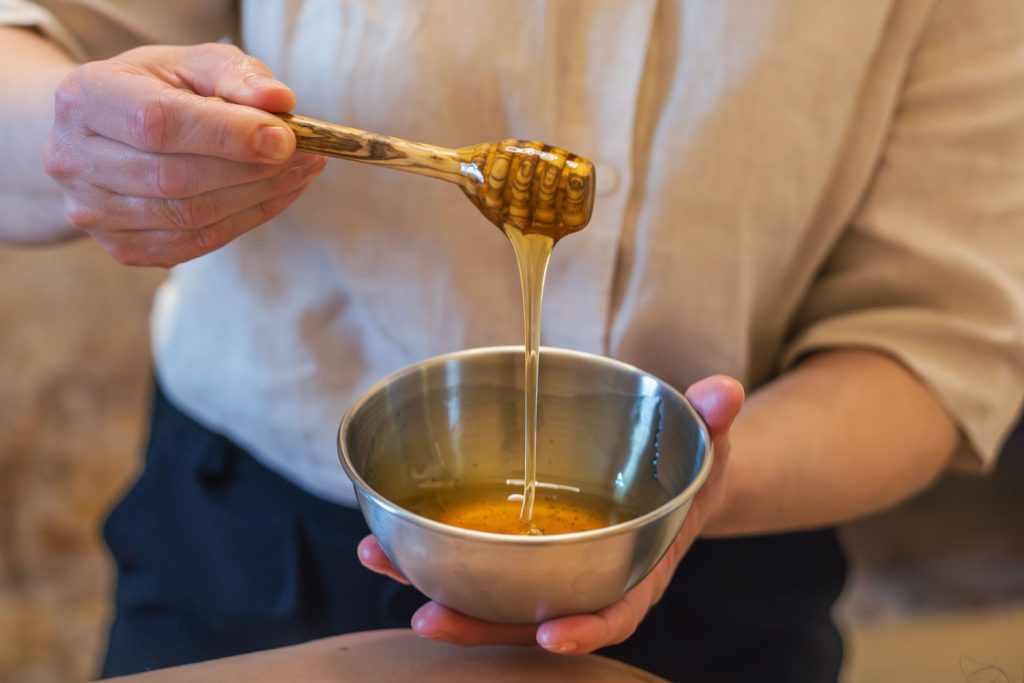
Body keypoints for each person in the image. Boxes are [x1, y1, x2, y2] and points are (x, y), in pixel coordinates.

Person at [2, 1, 1022, 681]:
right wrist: (91, 136)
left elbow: (932, 339)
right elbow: (34, 44)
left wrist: (711, 482)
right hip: (263, 556)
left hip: (718, 563)